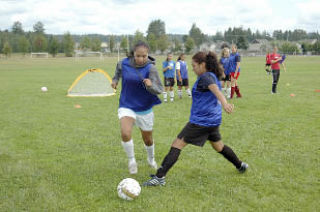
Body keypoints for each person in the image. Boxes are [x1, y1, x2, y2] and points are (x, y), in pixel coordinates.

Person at [143, 51, 248, 186]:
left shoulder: (206, 77)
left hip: (201, 122)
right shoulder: (211, 75)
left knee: (177, 144)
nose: (192, 68)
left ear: (202, 65)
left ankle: (159, 177)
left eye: (194, 65)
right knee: (219, 147)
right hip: (213, 121)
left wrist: (225, 103)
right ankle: (240, 165)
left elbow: (215, 89)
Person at [111, 41, 163, 174]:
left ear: (148, 55)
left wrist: (150, 85)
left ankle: (151, 159)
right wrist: (115, 80)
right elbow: (118, 71)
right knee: (125, 132)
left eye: (144, 56)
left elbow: (159, 90)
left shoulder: (151, 69)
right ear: (133, 54)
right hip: (127, 104)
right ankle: (132, 161)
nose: (141, 59)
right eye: (138, 56)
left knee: (148, 139)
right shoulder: (124, 63)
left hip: (144, 107)